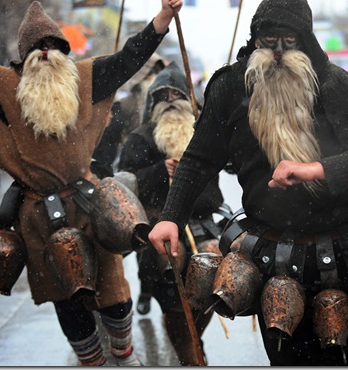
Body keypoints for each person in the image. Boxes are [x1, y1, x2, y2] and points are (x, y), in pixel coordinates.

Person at [149, 0, 348, 365]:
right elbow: (198, 160)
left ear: (306, 41)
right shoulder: (230, 87)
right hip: (278, 255)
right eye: (267, 39)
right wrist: (170, 216)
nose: (276, 52)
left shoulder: (334, 82)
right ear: (253, 38)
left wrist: (315, 170)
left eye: (288, 40)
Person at [0, 0, 183, 366]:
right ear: (21, 60)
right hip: (36, 215)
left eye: (53, 47)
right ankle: (93, 362)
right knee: (65, 298)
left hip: (89, 207)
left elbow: (129, 57)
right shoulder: (1, 86)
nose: (45, 52)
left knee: (115, 295)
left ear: (65, 55)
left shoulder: (86, 78)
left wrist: (164, 17)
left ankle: (123, 354)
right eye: (37, 49)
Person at [118, 61, 228, 365]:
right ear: (152, 102)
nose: (169, 100)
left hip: (203, 228)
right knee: (174, 301)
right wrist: (157, 172)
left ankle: (194, 346)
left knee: (206, 291)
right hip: (159, 229)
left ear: (189, 100)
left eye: (176, 94)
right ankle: (190, 356)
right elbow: (125, 183)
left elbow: (215, 186)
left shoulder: (202, 137)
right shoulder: (141, 138)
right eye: (162, 95)